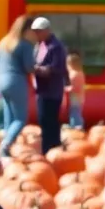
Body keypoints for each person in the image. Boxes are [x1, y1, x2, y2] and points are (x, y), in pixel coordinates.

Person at [0, 15, 36, 159]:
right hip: (16, 81)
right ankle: (5, 146)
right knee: (20, 119)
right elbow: (29, 67)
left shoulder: (4, 42)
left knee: (8, 117)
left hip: (1, 81)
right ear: (27, 30)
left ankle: (4, 148)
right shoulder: (25, 44)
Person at [30, 16, 67, 153]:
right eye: (35, 31)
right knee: (43, 120)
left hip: (52, 90)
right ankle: (49, 148)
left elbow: (57, 68)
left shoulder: (56, 47)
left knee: (49, 120)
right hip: (42, 89)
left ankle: (52, 149)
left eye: (39, 31)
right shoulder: (39, 45)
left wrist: (39, 69)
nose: (36, 34)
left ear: (47, 30)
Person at [66, 50, 86, 129]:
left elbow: (74, 88)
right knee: (77, 112)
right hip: (80, 97)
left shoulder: (74, 74)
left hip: (75, 98)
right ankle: (77, 125)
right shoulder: (80, 73)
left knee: (74, 113)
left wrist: (66, 89)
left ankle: (76, 126)